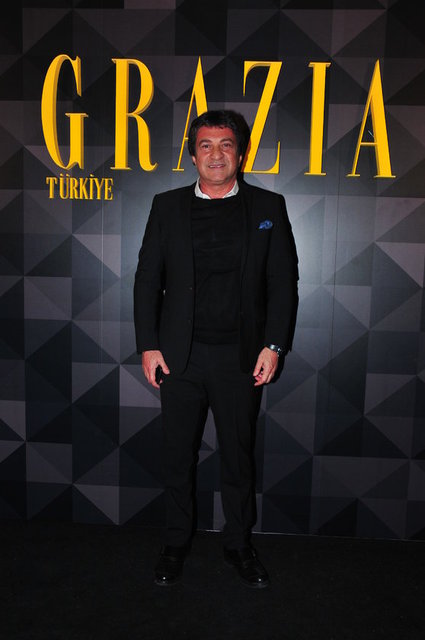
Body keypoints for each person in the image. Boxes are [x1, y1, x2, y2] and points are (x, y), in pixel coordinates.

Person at [133, 110, 298, 588]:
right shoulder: (166, 206)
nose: (216, 154)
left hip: (240, 358)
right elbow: (147, 280)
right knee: (177, 456)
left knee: (238, 458)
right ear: (193, 155)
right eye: (206, 145)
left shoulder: (269, 206)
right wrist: (148, 345)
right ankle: (175, 543)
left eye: (226, 145)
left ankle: (238, 545)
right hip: (179, 358)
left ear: (240, 154)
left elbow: (282, 283)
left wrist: (274, 345)